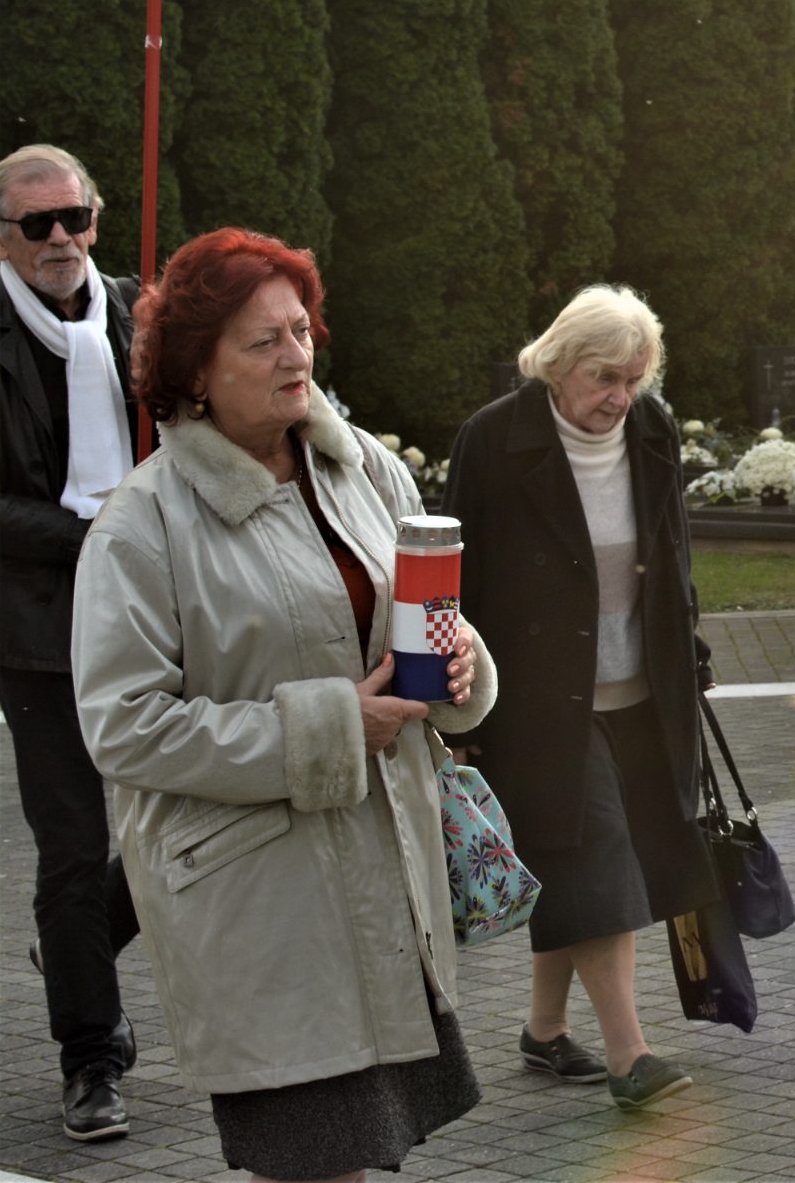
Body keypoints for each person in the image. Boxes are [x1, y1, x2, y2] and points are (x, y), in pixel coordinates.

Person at [72, 227, 494, 1182]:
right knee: (316, 1164)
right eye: (263, 341)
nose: (295, 355)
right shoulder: (141, 524)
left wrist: (461, 661)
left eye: (301, 330)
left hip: (383, 883)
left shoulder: (365, 469)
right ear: (196, 371)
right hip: (262, 910)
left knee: (354, 1160)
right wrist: (332, 727)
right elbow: (123, 727)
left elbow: (417, 614)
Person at [444, 286, 715, 1113]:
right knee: (599, 862)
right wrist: (455, 712)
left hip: (645, 689)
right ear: (559, 364)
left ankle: (545, 1029)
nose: (620, 398)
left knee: (572, 862)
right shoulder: (495, 438)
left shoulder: (653, 429)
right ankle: (632, 1056)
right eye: (605, 378)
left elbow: (673, 551)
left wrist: (692, 654)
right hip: (540, 700)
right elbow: (455, 579)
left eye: (633, 380)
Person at [0, 144, 143, 1141]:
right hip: (37, 628)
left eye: (75, 218)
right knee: (74, 844)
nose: (61, 239)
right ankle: (91, 1056)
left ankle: (76, 945)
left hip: (151, 610)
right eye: (37, 224)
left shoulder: (139, 314)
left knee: (192, 811)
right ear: (3, 237)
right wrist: (89, 533)